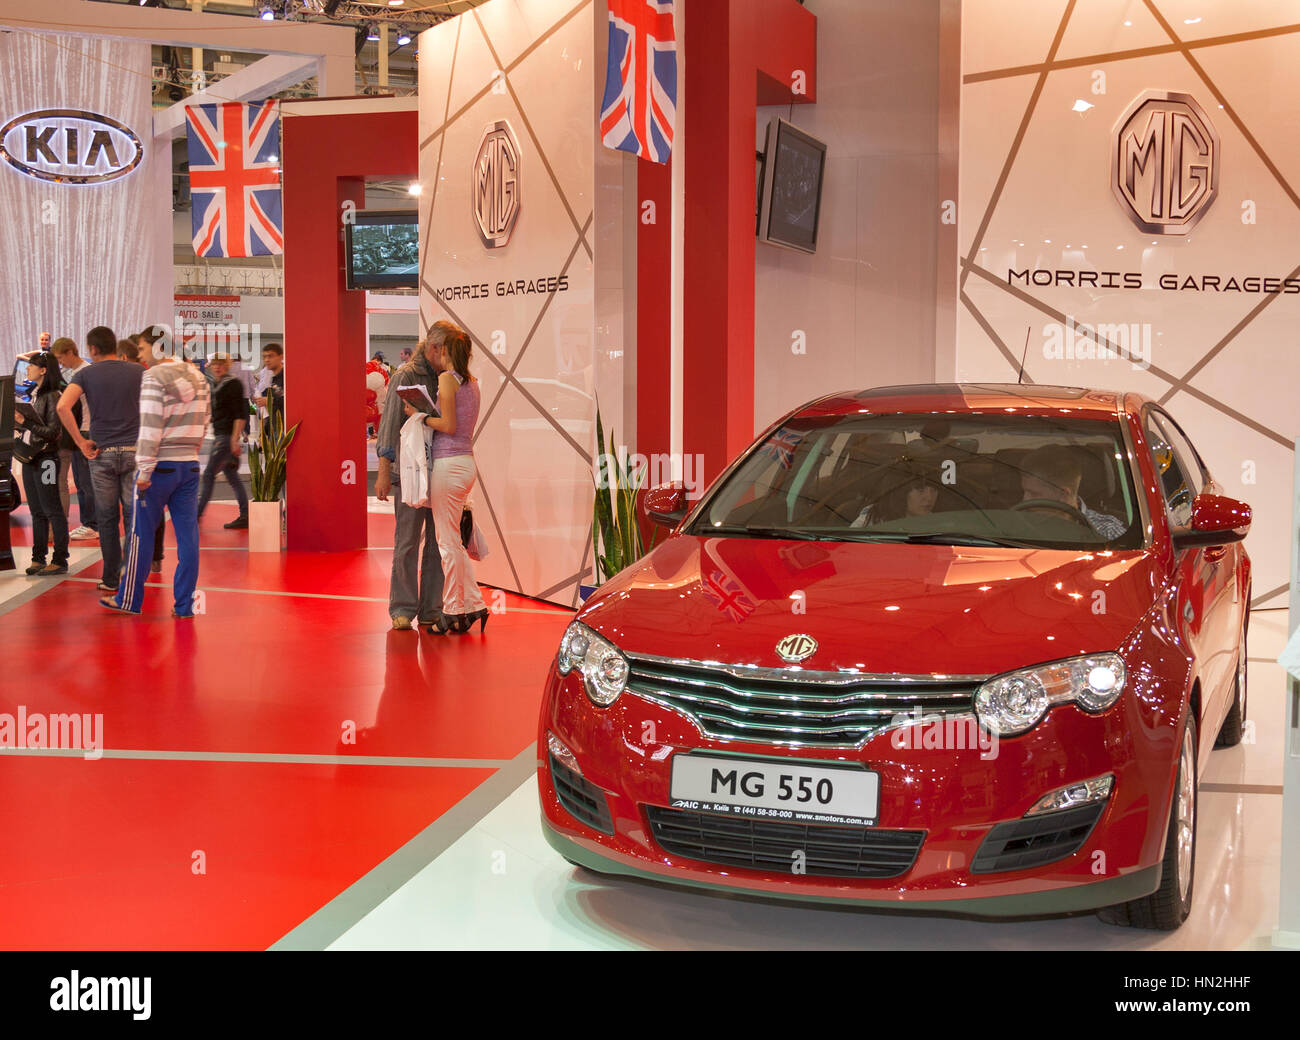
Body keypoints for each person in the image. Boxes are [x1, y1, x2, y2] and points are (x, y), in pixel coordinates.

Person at [101, 348, 209, 617]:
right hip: (190, 464)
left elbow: (150, 425)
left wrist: (145, 471)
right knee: (188, 538)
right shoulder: (200, 378)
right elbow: (205, 422)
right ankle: (185, 606)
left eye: (141, 347)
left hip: (159, 466)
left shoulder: (154, 376)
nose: (139, 353)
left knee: (140, 534)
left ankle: (129, 599)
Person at [409, 320, 487, 635]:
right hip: (465, 462)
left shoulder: (446, 380)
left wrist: (420, 416)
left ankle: (454, 611)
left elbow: (449, 424)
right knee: (452, 540)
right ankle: (473, 605)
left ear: (444, 350)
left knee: (447, 542)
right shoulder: (472, 382)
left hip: (448, 463)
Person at [58, 326, 144, 594]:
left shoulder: (85, 374)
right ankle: (133, 577)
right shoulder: (140, 371)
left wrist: (80, 441)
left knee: (107, 519)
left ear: (93, 349)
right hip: (134, 451)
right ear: (114, 346)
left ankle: (111, 578)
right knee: (133, 517)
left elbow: (63, 406)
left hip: (101, 453)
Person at [375, 336, 444, 630]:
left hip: (440, 469)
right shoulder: (405, 375)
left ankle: (431, 608)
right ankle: (402, 607)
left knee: (437, 545)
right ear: (433, 348)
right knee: (407, 540)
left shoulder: (449, 377)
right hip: (410, 470)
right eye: (446, 349)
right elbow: (389, 422)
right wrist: (383, 471)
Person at [13, 352, 73, 575]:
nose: (27, 370)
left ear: (43, 369)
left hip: (46, 458)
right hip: (30, 457)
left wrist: (25, 421)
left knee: (52, 509)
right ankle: (38, 558)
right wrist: (20, 425)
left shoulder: (53, 395)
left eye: (31, 366)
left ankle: (60, 559)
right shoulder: (35, 395)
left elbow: (52, 433)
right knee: (36, 511)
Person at [119, 333, 168, 572]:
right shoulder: (148, 374)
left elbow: (150, 421)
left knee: (140, 511)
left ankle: (137, 563)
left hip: (143, 450)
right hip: (151, 450)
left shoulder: (149, 376)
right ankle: (154, 557)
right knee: (151, 510)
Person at [1019, 445, 1126, 539]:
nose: (1025, 500)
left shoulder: (1106, 532)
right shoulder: (1015, 526)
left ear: (1063, 494)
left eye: (1034, 494)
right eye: (1024, 491)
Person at [50, 337, 98, 541]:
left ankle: (92, 524)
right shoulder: (73, 373)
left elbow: (67, 405)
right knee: (80, 480)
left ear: (71, 352)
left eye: (61, 358)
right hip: (79, 430)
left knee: (86, 482)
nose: (61, 363)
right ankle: (89, 522)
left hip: (86, 430)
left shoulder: (86, 372)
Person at [197, 353, 249, 529]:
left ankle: (196, 514)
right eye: (214, 364)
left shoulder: (232, 384)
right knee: (232, 476)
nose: (217, 367)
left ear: (227, 365)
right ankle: (246, 513)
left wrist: (234, 440)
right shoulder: (216, 385)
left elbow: (239, 415)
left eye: (220, 364)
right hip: (221, 434)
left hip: (226, 437)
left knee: (209, 474)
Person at [851, 455, 940, 527]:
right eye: (921, 490)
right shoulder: (872, 519)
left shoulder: (940, 526)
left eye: (934, 490)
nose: (929, 498)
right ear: (901, 492)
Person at [253, 343, 284, 417]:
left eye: (270, 356)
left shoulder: (286, 378)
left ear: (281, 357)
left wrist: (270, 401)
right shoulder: (273, 379)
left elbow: (292, 400)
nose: (267, 360)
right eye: (264, 357)